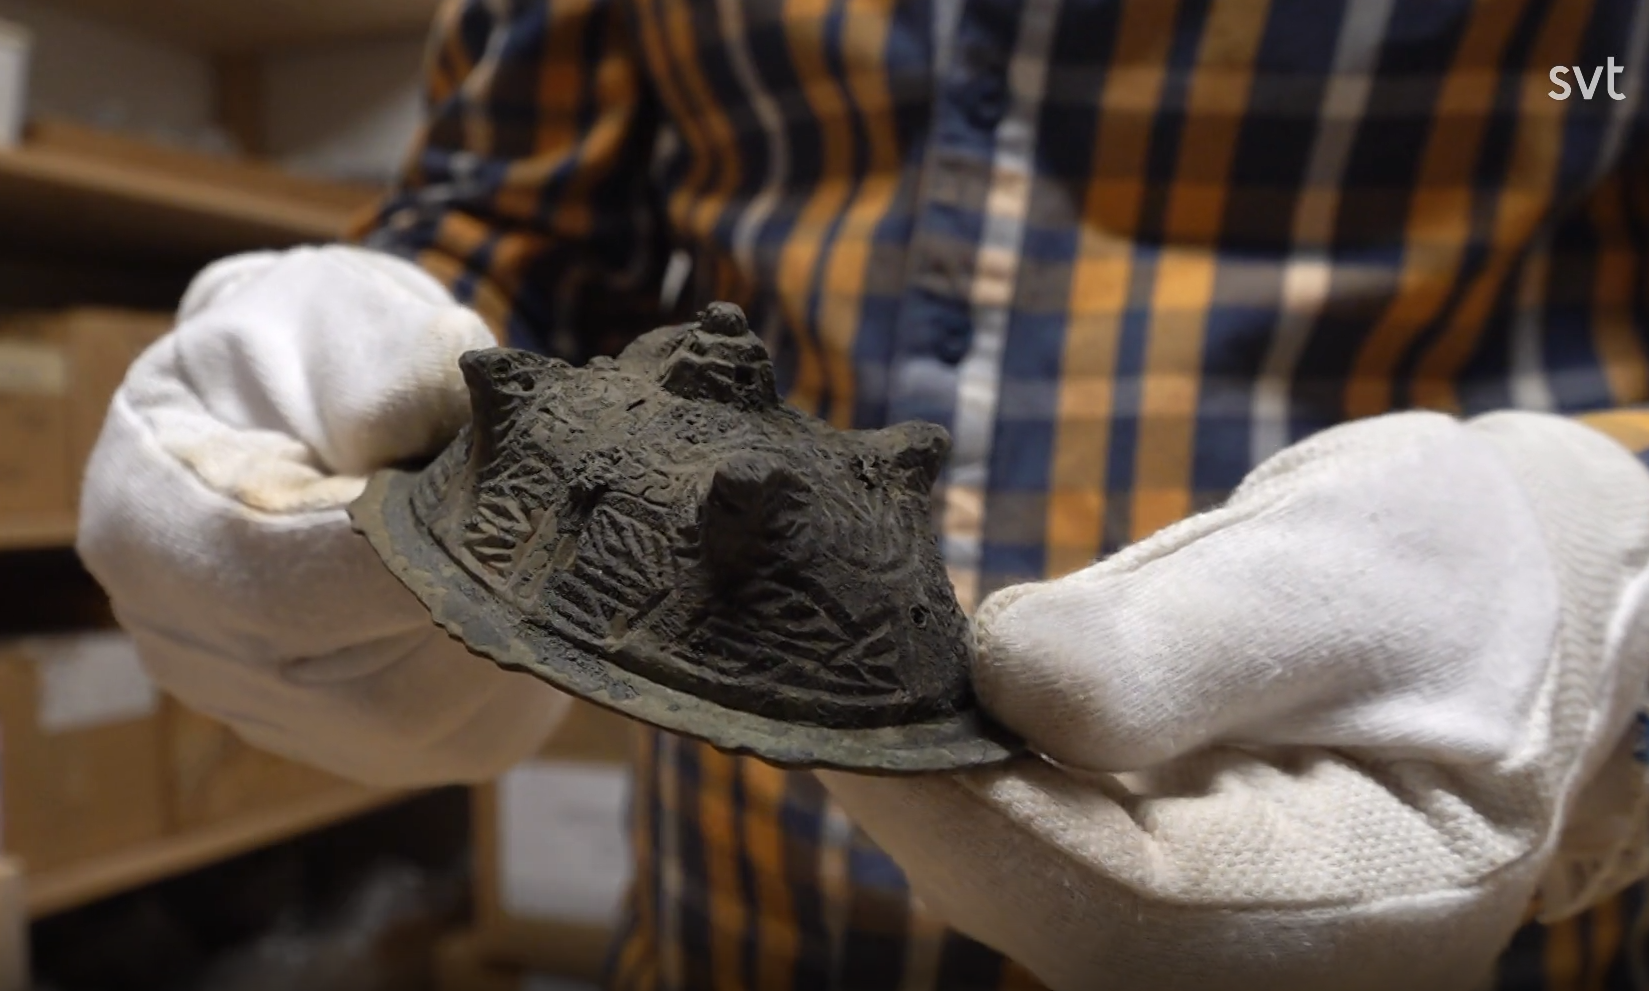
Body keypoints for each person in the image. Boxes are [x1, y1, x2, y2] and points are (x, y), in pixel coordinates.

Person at [73, 0, 1649, 987]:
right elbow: (512, 234)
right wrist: (336, 374)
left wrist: (1611, 581)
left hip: (1424, 889)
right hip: (734, 915)